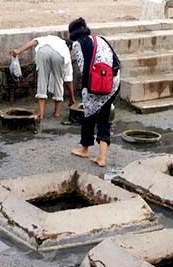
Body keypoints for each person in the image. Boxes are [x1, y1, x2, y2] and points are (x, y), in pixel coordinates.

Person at [68, 17, 120, 167]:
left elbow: (84, 68)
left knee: (89, 115)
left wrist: (84, 89)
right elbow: (115, 61)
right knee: (104, 118)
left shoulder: (78, 44)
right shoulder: (101, 39)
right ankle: (102, 158)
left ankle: (84, 149)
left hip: (96, 84)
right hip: (113, 83)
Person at [10, 35, 76, 120]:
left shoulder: (51, 38)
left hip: (43, 52)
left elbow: (35, 41)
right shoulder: (65, 50)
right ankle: (57, 112)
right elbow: (68, 80)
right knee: (59, 80)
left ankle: (41, 113)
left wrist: (19, 50)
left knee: (42, 80)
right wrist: (72, 98)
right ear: (69, 46)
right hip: (60, 55)